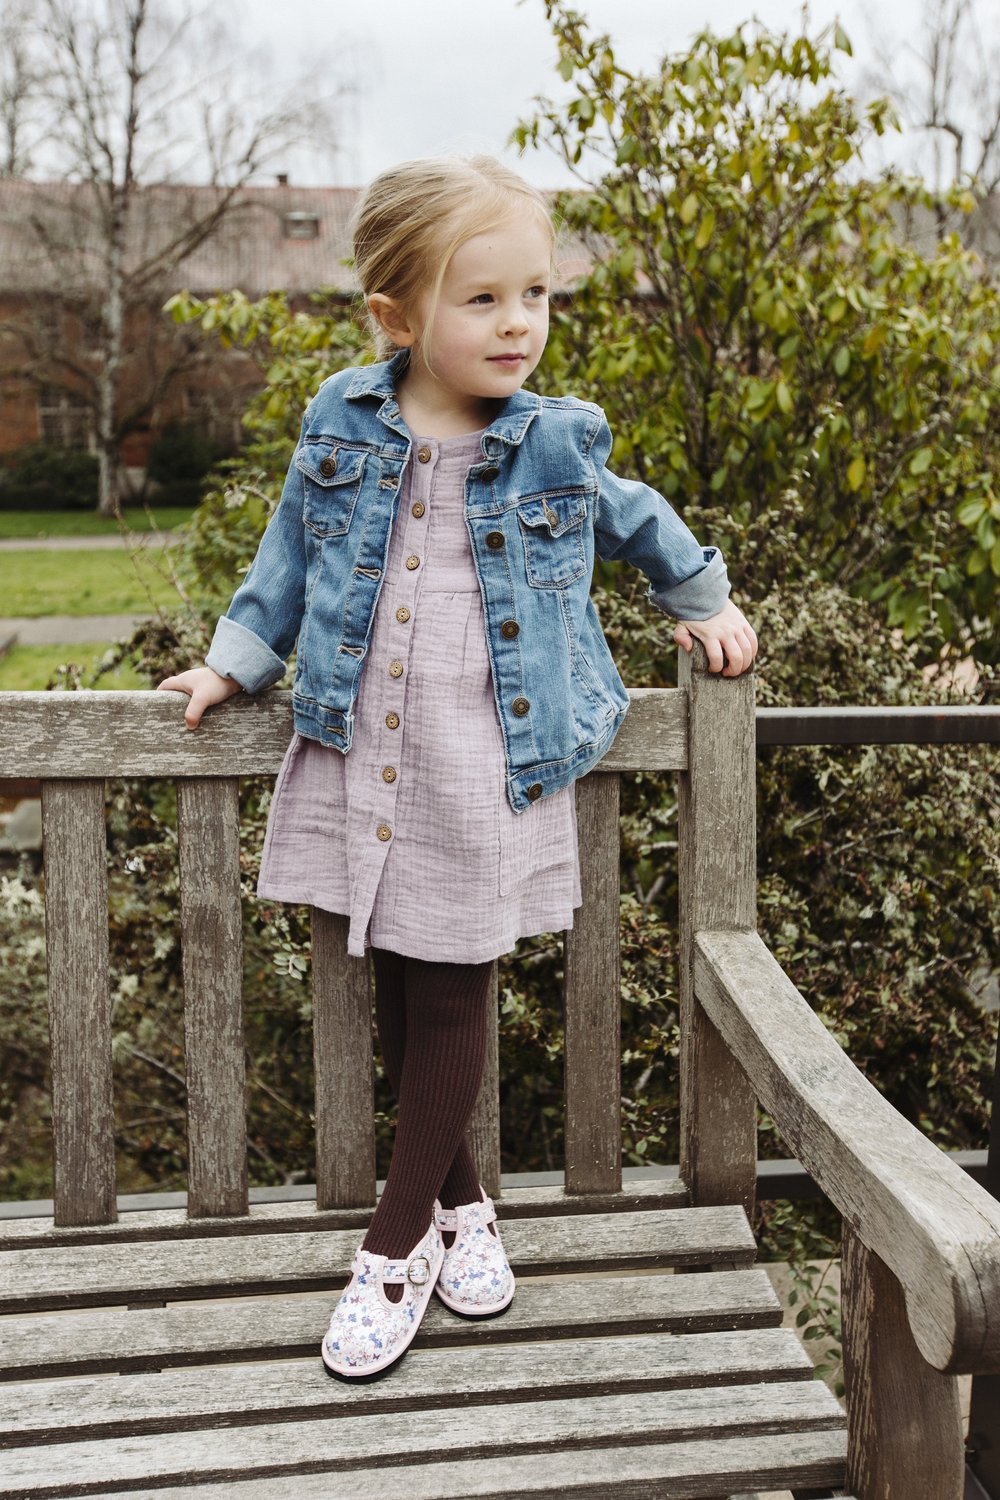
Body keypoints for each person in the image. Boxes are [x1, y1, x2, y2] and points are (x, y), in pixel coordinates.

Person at [157, 154, 758, 1381]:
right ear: (396, 315)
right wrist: (232, 663)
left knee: (448, 989)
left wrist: (702, 601)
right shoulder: (341, 419)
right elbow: (288, 553)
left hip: (484, 755)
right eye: (482, 299)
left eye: (535, 294)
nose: (518, 323)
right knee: (395, 967)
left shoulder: (552, 439)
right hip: (364, 744)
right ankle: (464, 1206)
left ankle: (392, 1253)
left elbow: (637, 519)